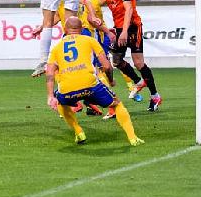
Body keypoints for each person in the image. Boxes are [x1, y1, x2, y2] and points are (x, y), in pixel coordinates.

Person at [46, 16, 144, 146]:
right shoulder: (90, 40)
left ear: (65, 29)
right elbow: (107, 66)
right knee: (117, 104)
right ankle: (133, 138)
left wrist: (50, 96)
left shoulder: (56, 48)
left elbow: (49, 72)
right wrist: (111, 80)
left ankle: (79, 132)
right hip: (90, 85)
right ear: (82, 29)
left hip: (67, 89)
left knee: (60, 102)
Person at [95, 0, 161, 111]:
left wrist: (124, 31)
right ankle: (138, 82)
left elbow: (129, 8)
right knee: (117, 60)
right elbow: (98, 1)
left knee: (138, 63)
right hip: (120, 28)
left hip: (132, 26)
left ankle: (155, 96)